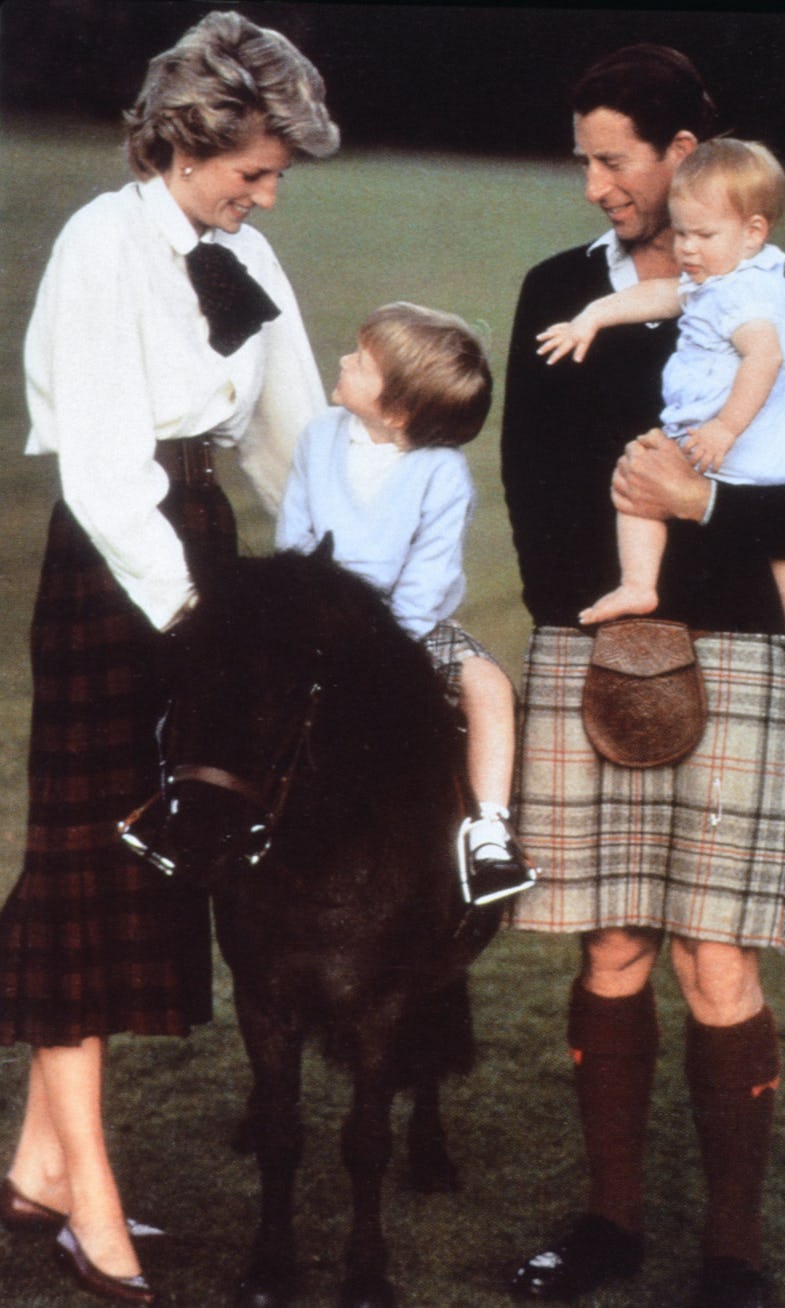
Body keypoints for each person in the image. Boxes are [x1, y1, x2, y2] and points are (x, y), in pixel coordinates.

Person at [0, 12, 338, 1304]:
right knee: (90, 862)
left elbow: (291, 437)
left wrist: (339, 584)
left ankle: (36, 1165)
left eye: (275, 176)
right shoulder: (100, 244)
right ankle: (91, 1203)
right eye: (253, 168)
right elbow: (96, 463)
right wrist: (191, 615)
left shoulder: (241, 251)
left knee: (152, 860)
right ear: (188, 141)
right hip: (113, 564)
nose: (267, 192)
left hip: (201, 541)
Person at [501, 43, 785, 1308]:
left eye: (613, 159)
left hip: (738, 651)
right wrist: (598, 636)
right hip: (592, 644)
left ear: (684, 157)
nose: (594, 185)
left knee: (718, 961)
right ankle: (611, 1225)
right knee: (615, 945)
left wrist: (698, 516)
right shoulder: (555, 290)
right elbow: (534, 497)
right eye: (583, 158)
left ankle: (734, 1254)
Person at [277, 301, 536, 906]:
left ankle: (489, 832)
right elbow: (295, 538)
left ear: (395, 411)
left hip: (408, 628)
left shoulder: (442, 473)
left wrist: (379, 645)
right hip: (315, 616)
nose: (343, 359)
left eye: (361, 362)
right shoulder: (318, 438)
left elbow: (429, 578)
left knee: (489, 688)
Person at [538, 137, 785, 668]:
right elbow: (661, 295)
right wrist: (593, 316)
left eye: (703, 234)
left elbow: (765, 359)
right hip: (755, 444)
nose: (687, 248)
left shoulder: (745, 295)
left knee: (638, 487)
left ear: (754, 232)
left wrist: (724, 429)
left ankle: (638, 581)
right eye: (682, 232)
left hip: (741, 438)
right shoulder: (724, 277)